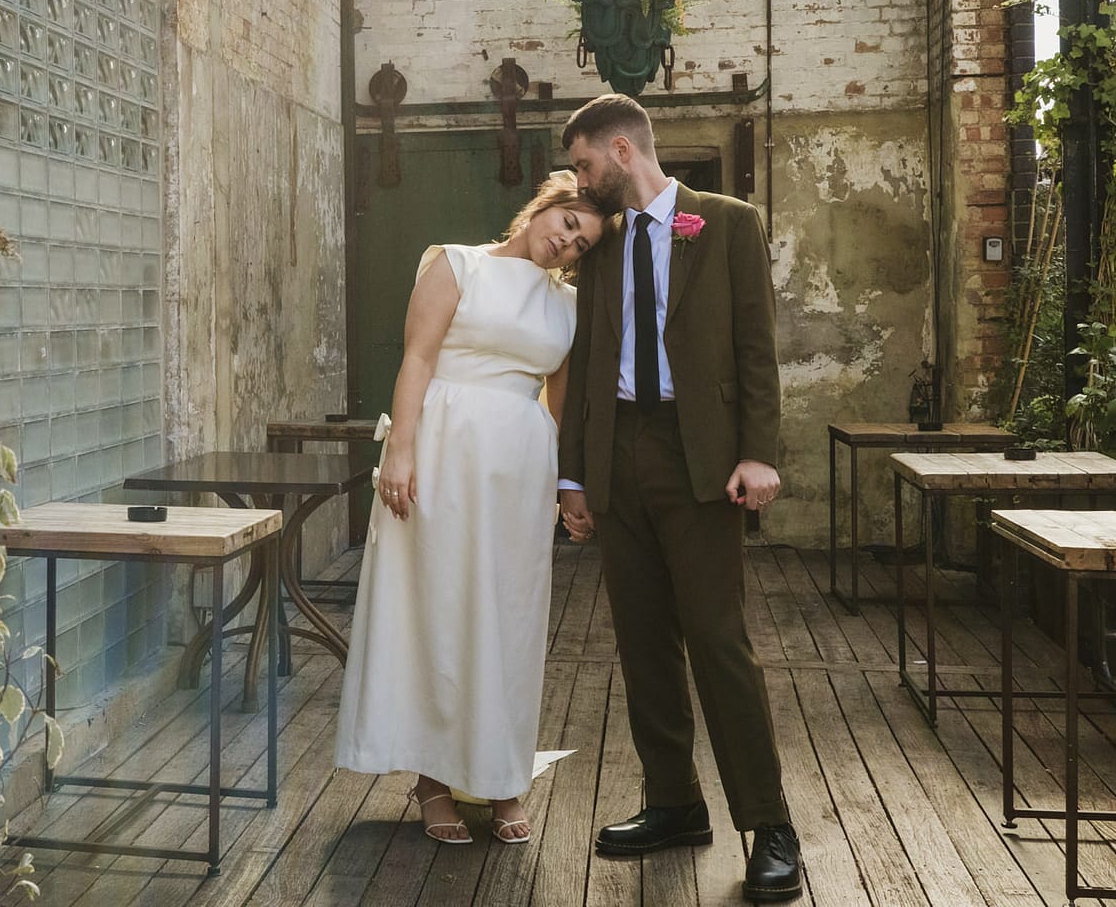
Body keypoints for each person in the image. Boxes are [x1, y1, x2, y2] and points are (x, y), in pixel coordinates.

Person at [556, 94, 803, 903]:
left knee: (718, 638)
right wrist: (574, 475)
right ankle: (673, 803)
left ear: (623, 151)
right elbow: (586, 360)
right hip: (618, 453)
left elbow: (756, 347)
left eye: (585, 165)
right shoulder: (602, 243)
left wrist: (759, 451)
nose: (580, 182)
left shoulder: (725, 223)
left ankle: (769, 824)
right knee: (642, 643)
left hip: (698, 456)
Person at [334, 172, 603, 845]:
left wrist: (571, 485)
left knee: (508, 616)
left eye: (580, 245)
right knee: (436, 609)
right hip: (441, 451)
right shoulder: (455, 264)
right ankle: (431, 782)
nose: (565, 245)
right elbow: (417, 359)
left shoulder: (567, 307)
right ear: (545, 207)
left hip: (518, 470)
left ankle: (504, 777)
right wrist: (400, 451)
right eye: (566, 225)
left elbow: (560, 405)